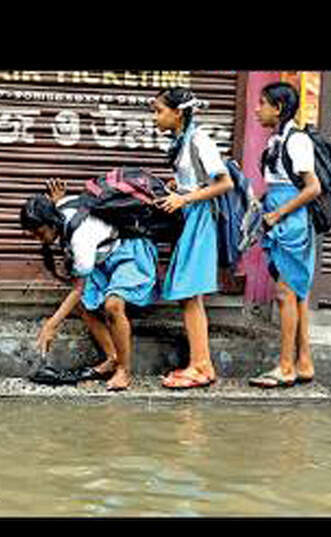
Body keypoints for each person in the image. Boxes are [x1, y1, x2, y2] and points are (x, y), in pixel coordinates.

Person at [21, 179, 160, 391]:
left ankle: (124, 370)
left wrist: (51, 325)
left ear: (51, 223)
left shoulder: (79, 236)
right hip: (105, 256)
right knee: (84, 305)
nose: (40, 241)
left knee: (113, 305)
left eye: (40, 234)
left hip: (129, 250)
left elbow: (79, 288)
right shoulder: (58, 209)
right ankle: (112, 357)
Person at [150, 88, 235, 389]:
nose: (155, 117)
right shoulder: (183, 140)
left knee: (190, 292)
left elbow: (225, 183)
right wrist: (180, 186)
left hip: (200, 219)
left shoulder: (199, 139)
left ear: (178, 113)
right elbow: (197, 180)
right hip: (191, 216)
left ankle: (201, 366)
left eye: (159, 110)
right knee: (190, 294)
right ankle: (202, 365)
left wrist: (185, 200)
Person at [248, 82, 322, 387]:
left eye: (262, 103)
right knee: (296, 294)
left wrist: (279, 213)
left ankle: (285, 367)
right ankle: (303, 363)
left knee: (284, 293)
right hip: (277, 219)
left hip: (291, 224)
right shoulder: (276, 141)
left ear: (277, 108)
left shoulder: (297, 141)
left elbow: (313, 187)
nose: (256, 108)